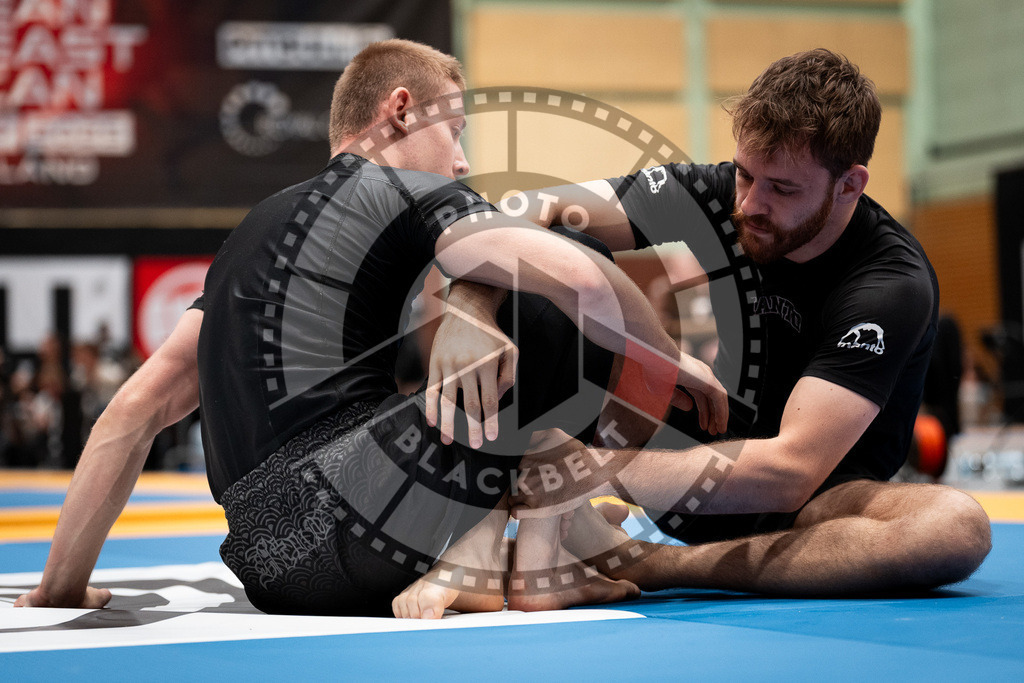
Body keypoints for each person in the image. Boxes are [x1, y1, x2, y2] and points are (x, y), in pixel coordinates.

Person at [15, 39, 727, 618]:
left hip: (270, 569)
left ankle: (527, 547)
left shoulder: (250, 236)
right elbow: (572, 274)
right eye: (454, 131)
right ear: (401, 111)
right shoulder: (409, 192)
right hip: (356, 524)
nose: (462, 161)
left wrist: (63, 585)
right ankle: (505, 559)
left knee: (494, 346)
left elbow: (130, 413)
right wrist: (667, 358)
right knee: (542, 290)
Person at [508, 48, 992, 595]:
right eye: (744, 175)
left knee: (955, 528)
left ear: (850, 185)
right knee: (552, 253)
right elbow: (528, 208)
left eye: (783, 188)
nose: (750, 204)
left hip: (817, 510)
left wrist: (588, 468)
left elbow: (791, 472)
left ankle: (637, 562)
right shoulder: (722, 195)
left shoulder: (889, 282)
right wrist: (469, 313)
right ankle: (499, 523)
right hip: (696, 450)